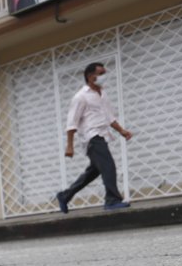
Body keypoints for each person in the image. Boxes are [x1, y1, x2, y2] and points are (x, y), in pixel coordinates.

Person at [56, 62, 134, 213]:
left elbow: (109, 117)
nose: (105, 76)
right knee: (109, 166)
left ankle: (65, 196)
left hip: (102, 135)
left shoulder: (102, 93)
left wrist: (122, 131)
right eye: (101, 73)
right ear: (91, 77)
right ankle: (112, 200)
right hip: (92, 137)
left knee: (94, 171)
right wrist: (69, 146)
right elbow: (71, 123)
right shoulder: (81, 97)